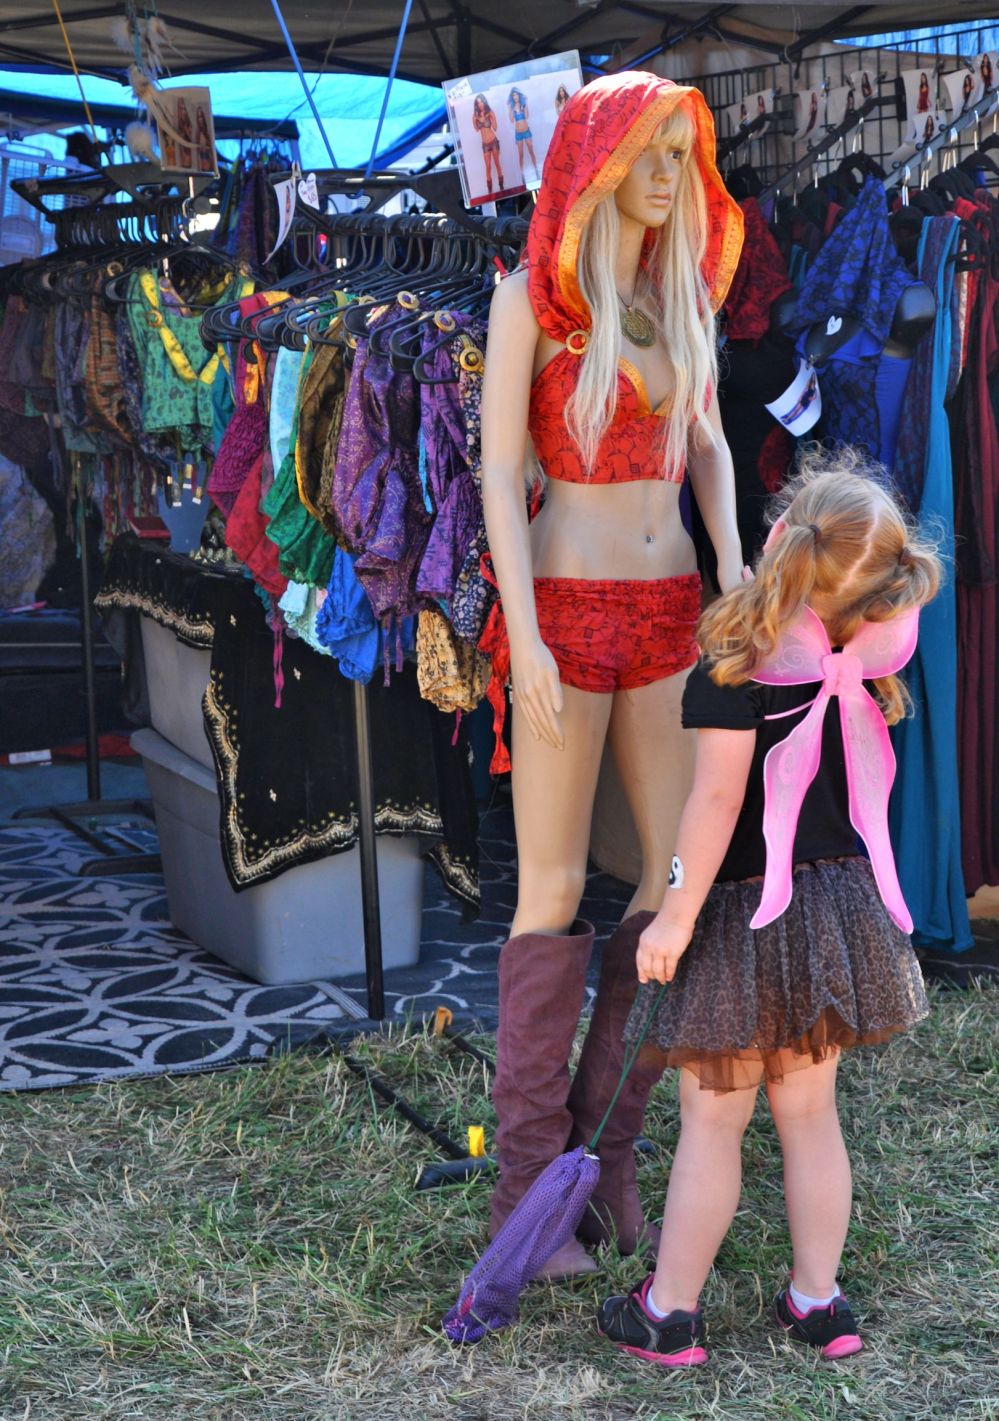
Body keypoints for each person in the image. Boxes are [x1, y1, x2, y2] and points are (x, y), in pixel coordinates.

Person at [479, 71, 745, 1280]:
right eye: (649, 145)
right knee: (552, 891)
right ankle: (529, 1192)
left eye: (682, 152)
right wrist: (525, 634)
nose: (666, 170)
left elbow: (712, 450)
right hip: (567, 604)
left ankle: (608, 1158)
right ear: (596, 156)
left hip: (673, 614)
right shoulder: (530, 296)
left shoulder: (676, 294)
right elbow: (494, 478)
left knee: (670, 890)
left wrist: (735, 569)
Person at [596, 451, 940, 1365]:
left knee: (713, 1117)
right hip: (831, 913)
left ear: (780, 537)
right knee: (809, 1113)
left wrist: (671, 915)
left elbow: (713, 807)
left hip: (744, 917)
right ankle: (817, 1302)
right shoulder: (864, 657)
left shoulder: (738, 666)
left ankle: (668, 1311)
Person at [472, 93, 504, 196]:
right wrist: (474, 119)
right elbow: (477, 129)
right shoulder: (475, 116)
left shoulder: (490, 112)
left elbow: (495, 128)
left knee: (497, 163)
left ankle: (501, 187)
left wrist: (493, 119)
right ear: (476, 105)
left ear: (484, 102)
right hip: (485, 144)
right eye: (478, 103)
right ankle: (490, 191)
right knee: (488, 167)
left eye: (481, 102)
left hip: (493, 141)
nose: (480, 104)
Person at [507, 86, 539, 181]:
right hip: (518, 133)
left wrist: (526, 103)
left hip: (526, 131)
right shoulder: (512, 107)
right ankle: (522, 174)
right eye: (513, 95)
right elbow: (512, 120)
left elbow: (527, 116)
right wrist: (510, 109)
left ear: (519, 95)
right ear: (512, 97)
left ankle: (536, 170)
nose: (515, 97)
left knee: (531, 151)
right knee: (520, 154)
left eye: (516, 94)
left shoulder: (523, 104)